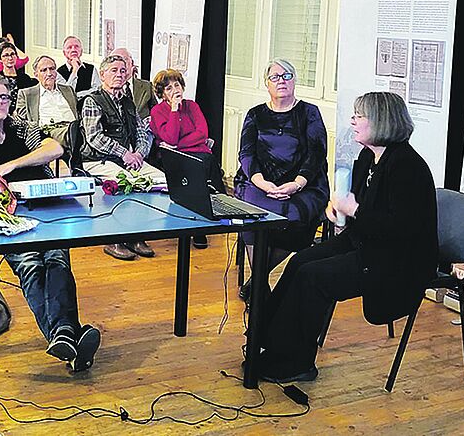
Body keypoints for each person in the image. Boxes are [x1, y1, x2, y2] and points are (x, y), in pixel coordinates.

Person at [258, 91, 437, 383]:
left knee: (313, 277)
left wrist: (353, 209)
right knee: (299, 261)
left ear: (381, 121)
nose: (352, 121)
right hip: (367, 242)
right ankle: (267, 342)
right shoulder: (369, 156)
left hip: (396, 260)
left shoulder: (408, 167)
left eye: (359, 116)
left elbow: (400, 230)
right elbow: (359, 208)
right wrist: (339, 213)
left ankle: (297, 362)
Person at [0, 73, 101, 372]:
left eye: (4, 97)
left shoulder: (20, 127)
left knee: (56, 259)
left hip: (43, 209)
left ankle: (63, 336)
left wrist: (12, 164)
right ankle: (67, 334)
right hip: (4, 216)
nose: (0, 102)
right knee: (32, 264)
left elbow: (55, 149)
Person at [234, 59, 330, 302]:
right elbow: (246, 153)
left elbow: (317, 152)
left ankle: (256, 282)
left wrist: (297, 183)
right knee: (251, 212)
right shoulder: (256, 114)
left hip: (303, 184)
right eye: (275, 77)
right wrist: (262, 183)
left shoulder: (309, 113)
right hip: (260, 182)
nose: (281, 81)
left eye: (287, 76)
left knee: (298, 214)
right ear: (267, 84)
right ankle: (259, 286)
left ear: (295, 81)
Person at [81, 55, 166, 261]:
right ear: (102, 75)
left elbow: (141, 132)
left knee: (161, 179)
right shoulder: (93, 101)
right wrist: (125, 153)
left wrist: (139, 154)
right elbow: (94, 138)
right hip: (97, 159)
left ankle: (137, 233)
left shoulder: (128, 102)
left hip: (127, 158)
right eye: (113, 70)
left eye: (122, 71)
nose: (119, 74)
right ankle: (113, 238)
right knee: (126, 182)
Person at [150, 69, 223, 249]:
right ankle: (195, 226)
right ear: (162, 94)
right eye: (168, 88)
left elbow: (202, 134)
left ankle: (212, 216)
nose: (175, 89)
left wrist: (178, 145)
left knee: (206, 163)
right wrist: (174, 110)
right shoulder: (158, 111)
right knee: (194, 170)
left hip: (199, 152)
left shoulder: (192, 106)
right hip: (176, 157)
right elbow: (170, 137)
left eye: (177, 85)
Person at [15, 55, 77, 148]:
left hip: (74, 126)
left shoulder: (68, 90)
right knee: (74, 132)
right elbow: (23, 122)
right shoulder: (26, 94)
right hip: (50, 131)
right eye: (44, 70)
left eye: (52, 69)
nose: (49, 73)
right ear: (36, 74)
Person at [110, 48, 156, 121]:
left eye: (124, 59)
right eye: (116, 61)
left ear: (132, 63)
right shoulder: (105, 91)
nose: (121, 64)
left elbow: (156, 113)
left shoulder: (147, 86)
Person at [0, 41, 35, 114]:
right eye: (6, 55)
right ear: (0, 59)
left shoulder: (25, 78)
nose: (10, 58)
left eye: (12, 54)